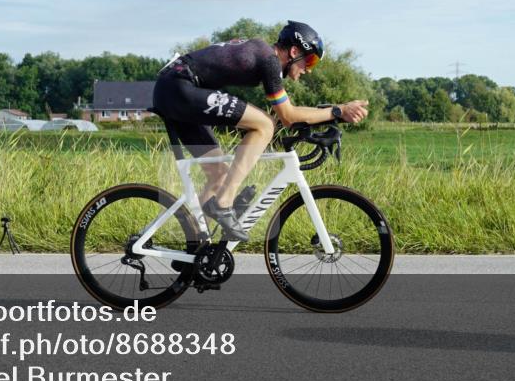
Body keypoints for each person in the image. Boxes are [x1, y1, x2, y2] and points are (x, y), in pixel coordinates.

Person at [151, 20, 369, 242]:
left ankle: (197, 249)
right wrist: (337, 111)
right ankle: (224, 203)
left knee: (219, 174)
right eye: (310, 59)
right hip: (180, 87)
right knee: (264, 124)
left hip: (176, 89)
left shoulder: (263, 55)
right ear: (294, 51)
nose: (309, 69)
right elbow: (288, 116)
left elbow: (289, 116)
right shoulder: (269, 59)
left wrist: (326, 116)